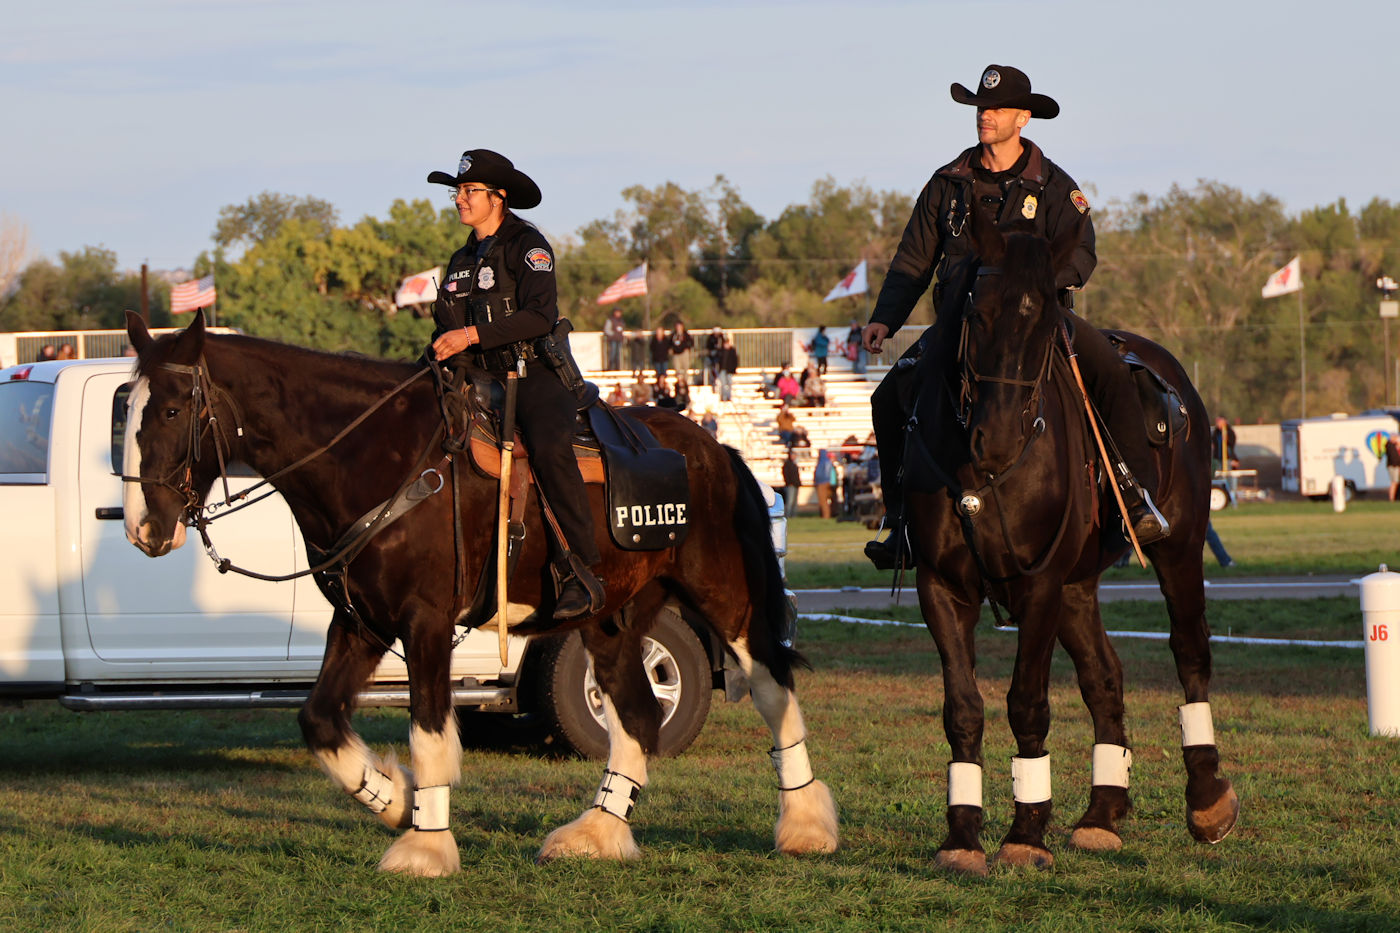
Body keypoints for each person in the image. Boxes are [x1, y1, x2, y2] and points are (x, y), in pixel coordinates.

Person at [860, 64, 1169, 570]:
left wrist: (1040, 286)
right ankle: (902, 523)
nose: (986, 116)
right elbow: (914, 259)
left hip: (1036, 321)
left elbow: (1082, 252)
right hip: (964, 326)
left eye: (997, 109)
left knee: (1112, 373)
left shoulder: (1054, 186)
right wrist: (884, 318)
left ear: (1023, 118)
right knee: (890, 396)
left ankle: (1135, 499)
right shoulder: (947, 183)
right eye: (982, 108)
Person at [426, 147, 603, 622]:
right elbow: (447, 327)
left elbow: (539, 315)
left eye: (469, 191)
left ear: (498, 198)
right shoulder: (461, 259)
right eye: (457, 191)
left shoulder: (529, 245)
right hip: (477, 378)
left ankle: (580, 570)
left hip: (533, 375)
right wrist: (442, 349)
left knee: (547, 446)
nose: (459, 200)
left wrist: (471, 334)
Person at [1212, 414, 1240, 502]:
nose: (1217, 423)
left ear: (1224, 422)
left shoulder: (1229, 432)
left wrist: (1226, 438)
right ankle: (1222, 496)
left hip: (1228, 459)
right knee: (1220, 478)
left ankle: (1232, 496)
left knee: (1230, 477)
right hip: (1219, 459)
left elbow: (1232, 444)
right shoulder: (1216, 433)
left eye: (1219, 421)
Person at [813, 448, 838, 519]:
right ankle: (826, 515)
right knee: (824, 501)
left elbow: (825, 473)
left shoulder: (823, 462)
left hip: (822, 482)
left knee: (823, 501)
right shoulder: (826, 462)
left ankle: (826, 516)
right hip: (825, 482)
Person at [603, 307, 627, 372]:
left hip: (619, 340)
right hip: (613, 340)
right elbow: (607, 330)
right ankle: (611, 368)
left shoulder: (621, 321)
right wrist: (614, 334)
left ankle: (617, 368)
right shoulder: (610, 320)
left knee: (618, 355)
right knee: (612, 354)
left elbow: (622, 330)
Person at [717, 334, 739, 402]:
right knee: (723, 384)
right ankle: (723, 397)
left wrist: (734, 369)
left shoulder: (732, 351)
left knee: (729, 384)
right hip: (722, 370)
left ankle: (729, 397)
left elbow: (735, 361)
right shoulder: (721, 351)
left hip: (729, 370)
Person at [781, 448, 801, 518]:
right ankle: (788, 515)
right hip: (791, 485)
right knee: (790, 501)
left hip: (796, 485)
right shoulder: (787, 464)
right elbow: (785, 474)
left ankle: (794, 515)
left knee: (795, 502)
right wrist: (789, 482)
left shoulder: (794, 464)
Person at [1386, 433, 1400, 502]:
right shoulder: (1390, 446)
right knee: (1394, 482)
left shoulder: (1392, 445)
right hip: (1393, 466)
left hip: (1395, 466)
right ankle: (1391, 498)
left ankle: (1393, 498)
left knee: (1395, 482)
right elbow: (1394, 457)